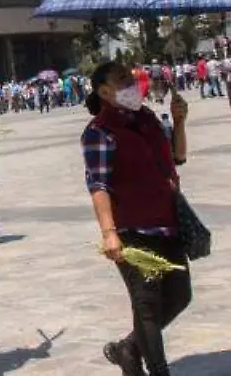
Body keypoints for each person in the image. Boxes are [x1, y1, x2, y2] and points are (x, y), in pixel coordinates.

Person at [83, 61, 192, 376]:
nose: (132, 84)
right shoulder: (99, 132)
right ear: (105, 91)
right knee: (146, 304)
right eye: (122, 80)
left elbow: (178, 157)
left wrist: (180, 122)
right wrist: (109, 233)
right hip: (132, 230)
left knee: (180, 294)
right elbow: (98, 185)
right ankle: (158, 370)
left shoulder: (147, 118)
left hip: (167, 222)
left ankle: (128, 348)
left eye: (131, 78)